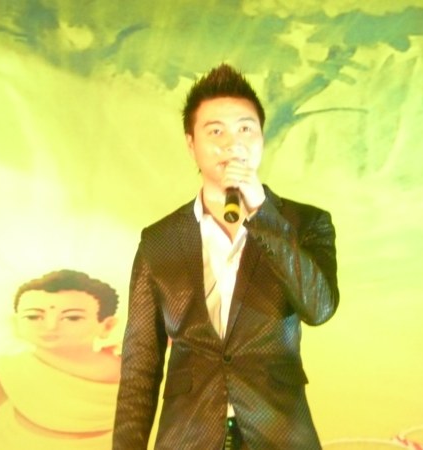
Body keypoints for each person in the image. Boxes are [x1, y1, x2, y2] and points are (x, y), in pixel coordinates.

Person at [112, 64, 339, 450]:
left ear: (262, 137)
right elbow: (140, 366)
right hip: (188, 435)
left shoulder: (305, 223)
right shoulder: (159, 240)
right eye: (216, 131)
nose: (233, 144)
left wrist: (263, 215)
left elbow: (319, 308)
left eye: (246, 129)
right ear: (191, 145)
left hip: (279, 433)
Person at [0, 269, 121, 450]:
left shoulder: (122, 367)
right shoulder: (8, 368)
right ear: (16, 323)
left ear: (107, 326)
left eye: (72, 318)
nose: (51, 326)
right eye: (33, 316)